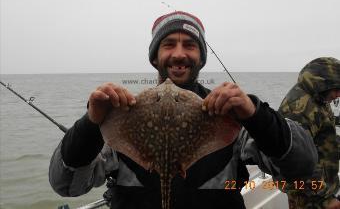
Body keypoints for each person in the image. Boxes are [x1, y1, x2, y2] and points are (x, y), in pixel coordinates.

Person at [49, 11, 317, 209]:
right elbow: (67, 185)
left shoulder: (225, 115)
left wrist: (256, 115)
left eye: (189, 45)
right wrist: (92, 123)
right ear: (155, 56)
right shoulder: (122, 116)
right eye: (168, 44)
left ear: (200, 57)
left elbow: (303, 166)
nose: (179, 54)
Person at [278, 57, 340, 209]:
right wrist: (326, 199)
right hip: (310, 196)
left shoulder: (318, 98)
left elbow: (322, 136)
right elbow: (297, 163)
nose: (338, 95)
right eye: (337, 89)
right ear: (323, 83)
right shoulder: (298, 108)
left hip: (322, 188)